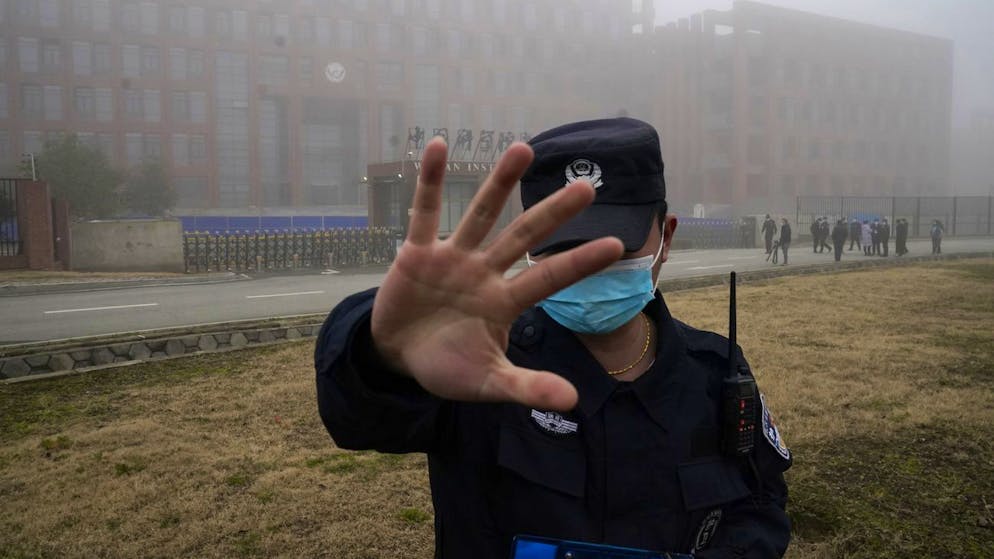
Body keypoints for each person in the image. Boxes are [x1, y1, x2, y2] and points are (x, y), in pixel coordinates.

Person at [314, 118, 792, 559]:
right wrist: (382, 352)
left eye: (615, 245)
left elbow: (761, 503)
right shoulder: (479, 367)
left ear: (665, 237)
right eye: (564, 245)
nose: (587, 266)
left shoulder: (715, 372)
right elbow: (357, 418)